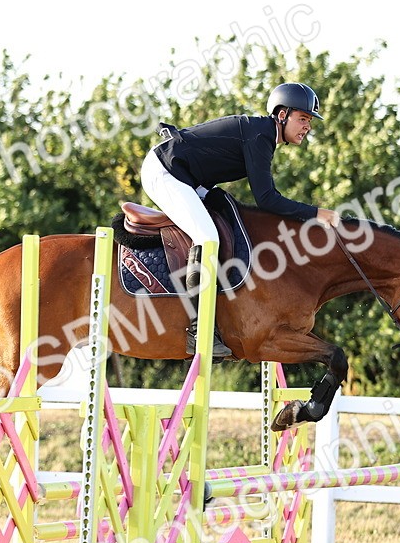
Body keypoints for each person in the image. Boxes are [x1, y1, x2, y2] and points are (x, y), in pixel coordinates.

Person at [141, 82, 339, 358]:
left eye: (309, 121)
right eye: (303, 118)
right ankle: (200, 331)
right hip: (165, 171)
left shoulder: (263, 134)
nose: (308, 126)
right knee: (208, 238)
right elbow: (267, 199)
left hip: (190, 176)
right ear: (282, 115)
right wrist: (318, 214)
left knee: (227, 212)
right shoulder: (261, 136)